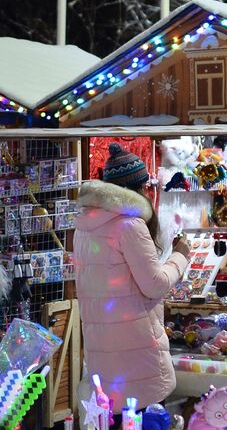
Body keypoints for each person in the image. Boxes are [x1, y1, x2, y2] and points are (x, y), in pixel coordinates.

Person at [73, 143, 190, 407]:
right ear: (137, 189)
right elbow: (155, 285)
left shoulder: (85, 227)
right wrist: (180, 255)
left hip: (102, 349)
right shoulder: (129, 225)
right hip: (136, 352)